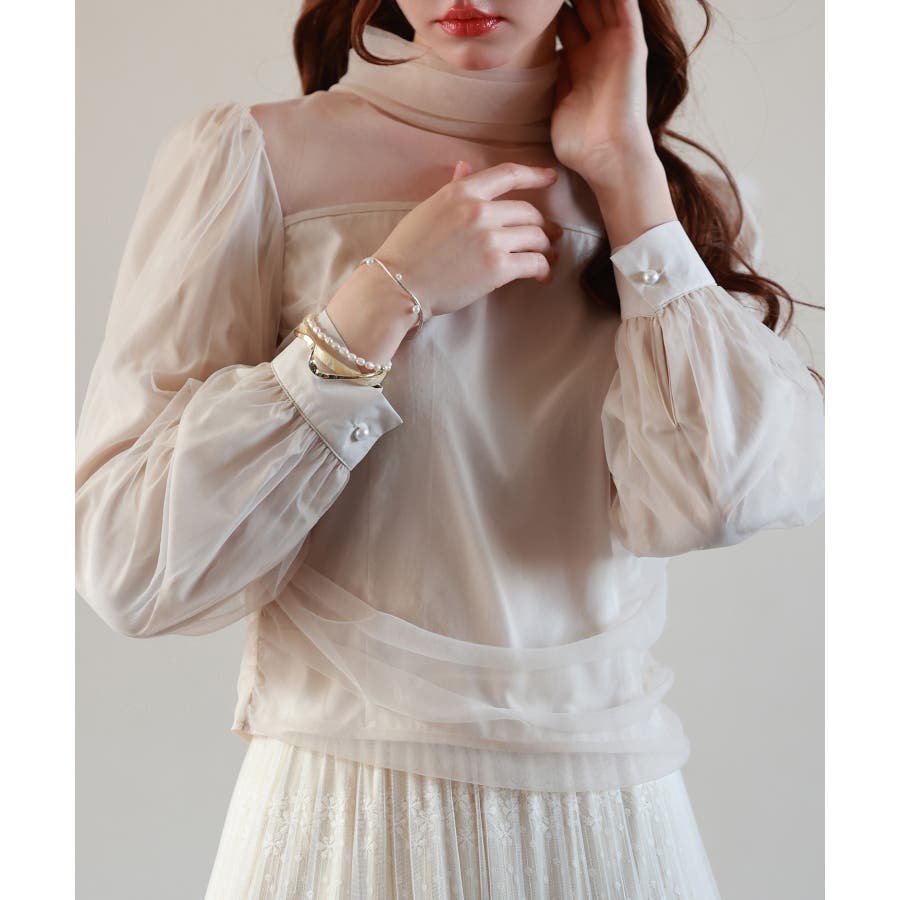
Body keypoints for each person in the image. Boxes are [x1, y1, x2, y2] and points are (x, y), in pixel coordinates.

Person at [74, 0, 825, 896]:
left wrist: (625, 175)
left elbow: (722, 497)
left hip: (611, 820)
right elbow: (130, 564)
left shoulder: (665, 198)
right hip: (344, 818)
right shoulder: (252, 160)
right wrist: (379, 303)